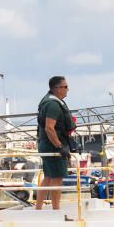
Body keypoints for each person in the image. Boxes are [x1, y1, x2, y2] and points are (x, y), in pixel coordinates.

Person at [36, 76, 76, 210]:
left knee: (48, 178)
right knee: (57, 178)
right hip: (52, 146)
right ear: (57, 89)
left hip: (45, 144)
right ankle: (56, 209)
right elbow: (49, 127)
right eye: (65, 87)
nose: (68, 89)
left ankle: (38, 208)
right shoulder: (53, 105)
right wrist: (60, 146)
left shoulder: (47, 101)